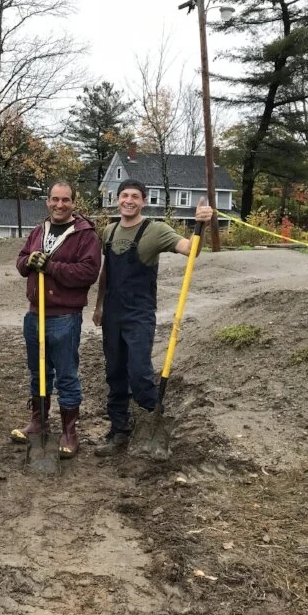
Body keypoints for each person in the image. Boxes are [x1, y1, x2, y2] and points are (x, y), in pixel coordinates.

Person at [92, 179, 213, 456]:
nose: (129, 201)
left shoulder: (156, 230)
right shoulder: (109, 231)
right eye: (124, 195)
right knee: (115, 372)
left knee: (139, 372)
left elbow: (191, 249)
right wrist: (99, 306)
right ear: (117, 199)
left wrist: (201, 225)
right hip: (112, 313)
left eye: (135, 196)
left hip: (139, 314)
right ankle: (119, 431)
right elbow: (106, 273)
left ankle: (152, 421)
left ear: (144, 201)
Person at [11, 181, 101, 458]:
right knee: (38, 372)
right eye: (54, 199)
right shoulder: (39, 230)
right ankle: (39, 421)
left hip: (64, 316)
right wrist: (29, 261)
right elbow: (21, 261)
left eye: (65, 200)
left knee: (66, 375)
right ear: (47, 201)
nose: (59, 205)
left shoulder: (85, 235)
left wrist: (51, 266)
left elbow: (88, 273)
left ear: (74, 203)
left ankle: (69, 432)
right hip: (35, 314)